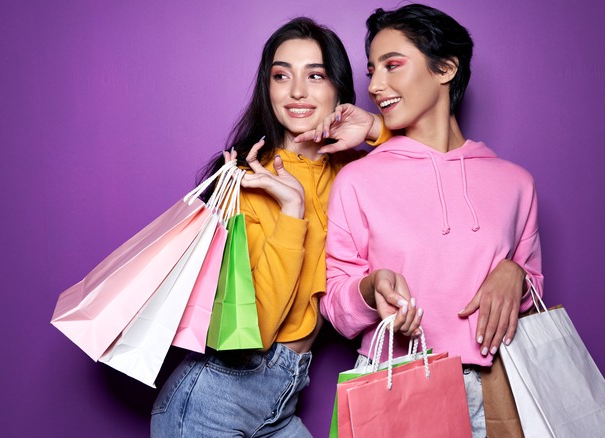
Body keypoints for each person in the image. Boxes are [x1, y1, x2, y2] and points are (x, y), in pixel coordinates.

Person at [317, 4, 544, 436]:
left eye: (392, 66)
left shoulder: (516, 183)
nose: (375, 86)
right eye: (371, 71)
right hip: (398, 378)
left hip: (499, 383)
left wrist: (516, 274)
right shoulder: (357, 180)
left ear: (445, 68)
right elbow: (336, 308)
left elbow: (530, 291)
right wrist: (372, 287)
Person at [150, 17, 375, 437]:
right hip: (213, 401)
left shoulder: (355, 171)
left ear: (339, 89)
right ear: (267, 87)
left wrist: (376, 128)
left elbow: (426, 163)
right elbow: (257, 326)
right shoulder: (246, 178)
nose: (296, 91)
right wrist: (292, 210)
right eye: (281, 75)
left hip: (283, 399)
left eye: (316, 75)